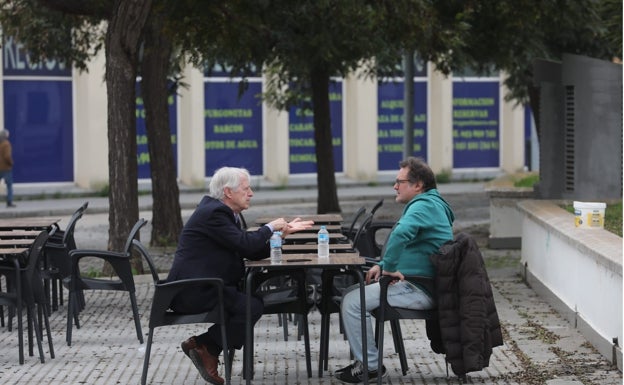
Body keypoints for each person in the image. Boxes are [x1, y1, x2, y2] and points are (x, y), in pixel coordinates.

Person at [166, 166, 313, 385]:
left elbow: (250, 250)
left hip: (206, 286)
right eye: (246, 188)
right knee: (251, 306)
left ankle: (205, 347)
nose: (251, 193)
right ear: (228, 192)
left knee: (252, 303)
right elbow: (246, 243)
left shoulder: (225, 213)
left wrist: (281, 234)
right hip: (193, 290)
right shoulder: (214, 213)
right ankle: (204, 346)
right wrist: (270, 227)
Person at [336, 157, 455, 383]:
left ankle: (370, 367)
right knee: (353, 295)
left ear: (418, 185)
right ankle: (367, 363)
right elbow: (412, 249)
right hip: (420, 284)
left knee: (352, 300)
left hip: (421, 288)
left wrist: (389, 269)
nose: (395, 186)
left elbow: (401, 235)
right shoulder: (431, 204)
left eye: (399, 181)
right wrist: (383, 266)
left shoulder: (424, 205)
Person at [0, 129, 15, 208]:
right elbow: (7, 156)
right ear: (6, 136)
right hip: (5, 168)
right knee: (9, 185)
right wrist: (11, 163)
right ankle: (9, 202)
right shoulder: (6, 144)